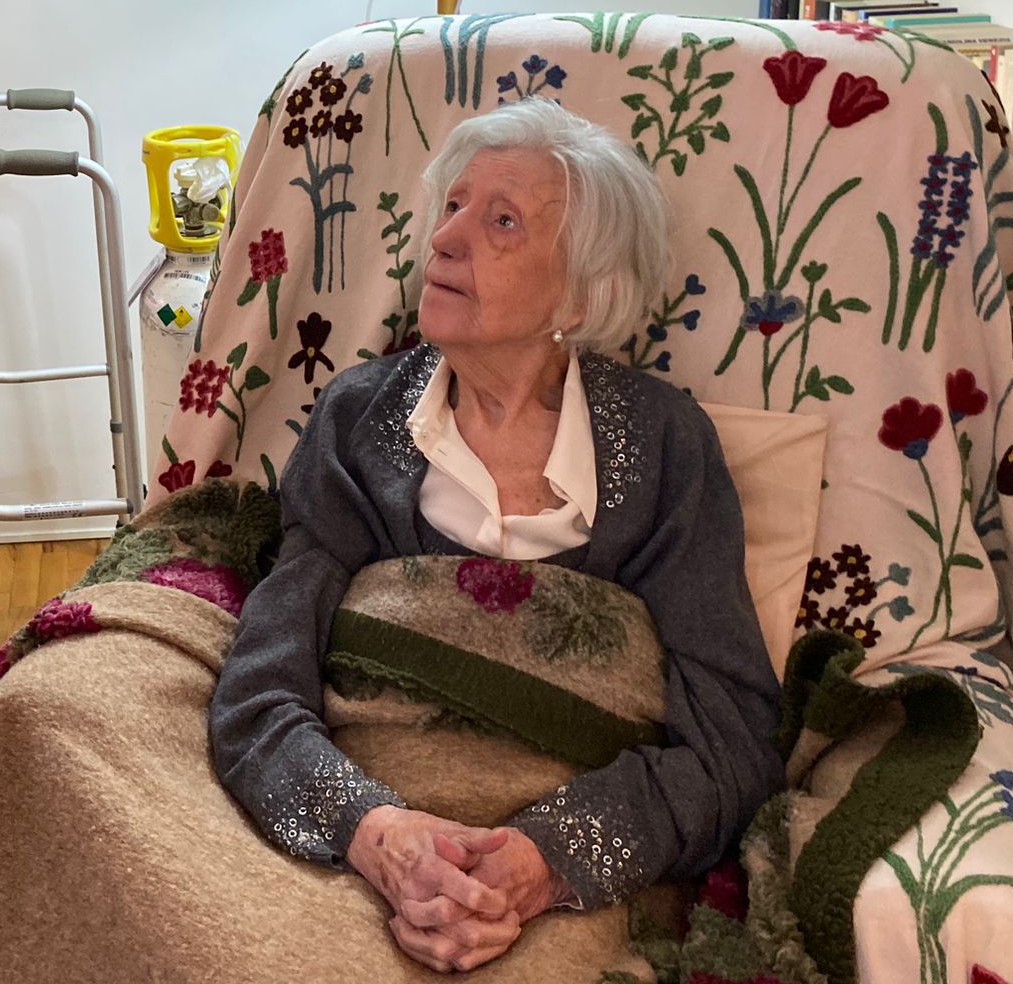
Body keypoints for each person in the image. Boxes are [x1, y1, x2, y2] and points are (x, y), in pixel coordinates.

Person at [210, 98, 783, 975]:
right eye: (452, 206)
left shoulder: (665, 446)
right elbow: (260, 687)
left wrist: (545, 861)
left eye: (502, 220)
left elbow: (731, 738)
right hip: (359, 844)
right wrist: (377, 834)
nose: (444, 239)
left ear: (581, 291)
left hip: (569, 859)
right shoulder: (357, 419)